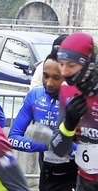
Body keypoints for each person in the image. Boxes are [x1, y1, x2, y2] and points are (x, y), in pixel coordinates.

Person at [8, 57, 77, 190]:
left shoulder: (76, 100)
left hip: (75, 175)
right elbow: (12, 138)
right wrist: (45, 145)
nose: (50, 83)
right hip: (47, 174)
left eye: (56, 77)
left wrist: (55, 142)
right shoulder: (34, 96)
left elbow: (90, 152)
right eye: (46, 76)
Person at [51, 32, 98, 190]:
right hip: (85, 180)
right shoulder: (66, 90)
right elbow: (58, 149)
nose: (64, 72)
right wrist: (68, 125)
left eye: (71, 65)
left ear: (88, 64)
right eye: (61, 64)